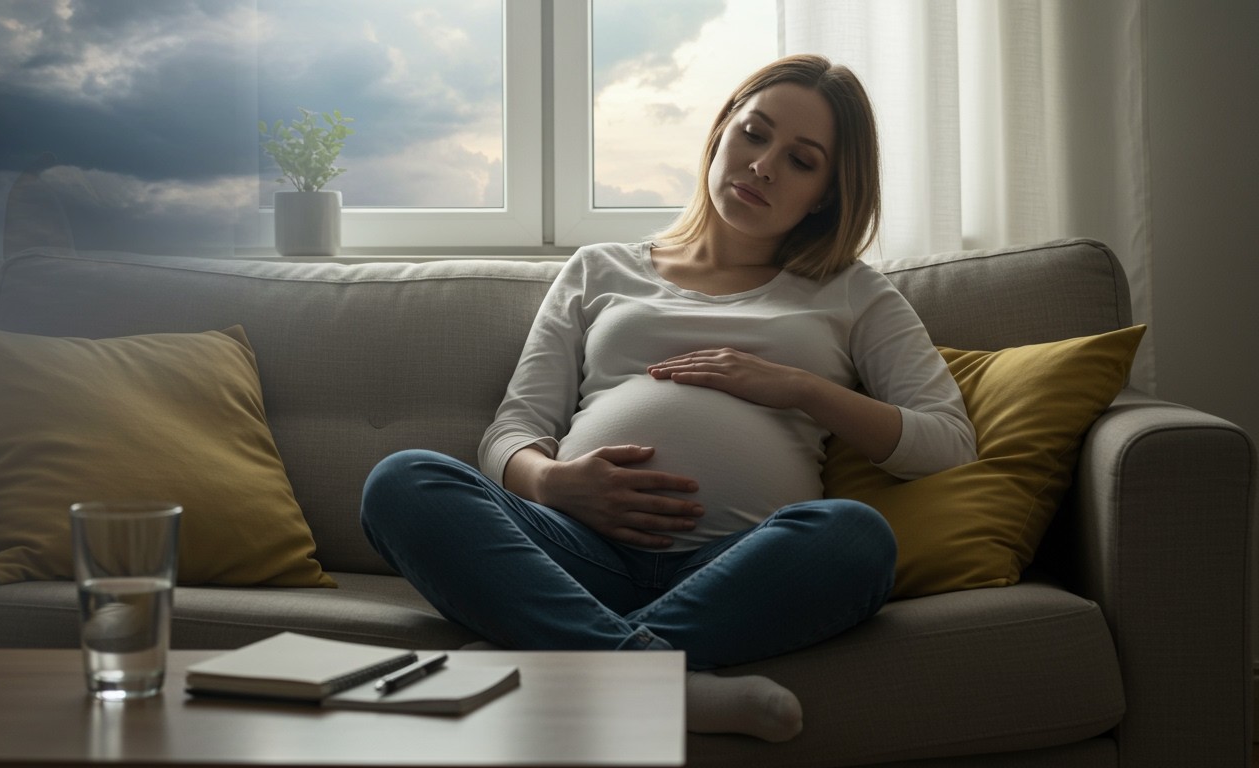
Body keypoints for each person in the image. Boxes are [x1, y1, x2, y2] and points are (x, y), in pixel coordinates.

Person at [360, 54, 976, 743]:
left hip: (736, 565)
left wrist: (801, 388)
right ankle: (658, 682)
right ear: (719, 135)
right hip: (575, 552)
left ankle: (558, 662)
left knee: (857, 540)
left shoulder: (852, 292)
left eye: (801, 161)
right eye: (753, 133)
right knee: (403, 481)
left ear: (826, 194)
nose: (764, 165)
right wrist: (557, 483)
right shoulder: (599, 268)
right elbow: (514, 428)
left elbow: (946, 441)